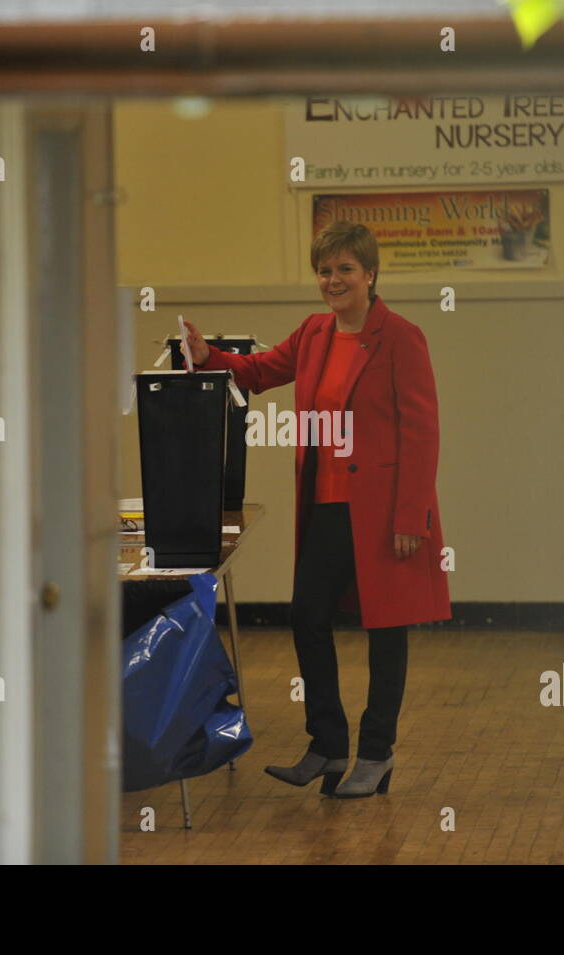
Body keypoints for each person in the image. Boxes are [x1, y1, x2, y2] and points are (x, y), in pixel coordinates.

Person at [184, 221, 450, 798]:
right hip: (327, 505)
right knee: (307, 617)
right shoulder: (314, 333)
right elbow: (260, 372)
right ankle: (327, 746)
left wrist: (412, 519)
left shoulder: (401, 337)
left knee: (386, 632)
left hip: (384, 514)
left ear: (370, 274)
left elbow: (422, 433)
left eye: (344, 270)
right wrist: (210, 357)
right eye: (325, 271)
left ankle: (376, 755)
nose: (333, 280)